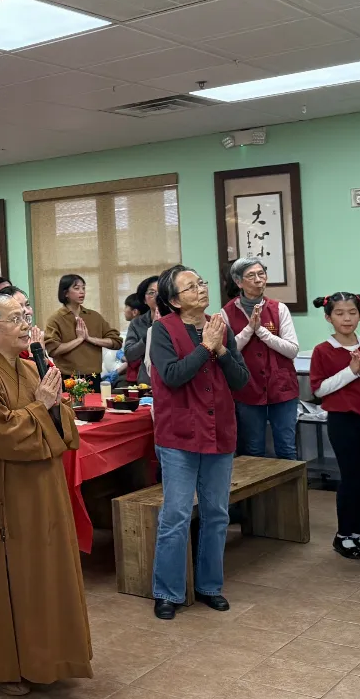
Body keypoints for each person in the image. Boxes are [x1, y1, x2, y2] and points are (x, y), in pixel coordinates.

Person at [0, 294, 90, 695]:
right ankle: (3, 668)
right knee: (11, 579)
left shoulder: (31, 366)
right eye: (14, 318)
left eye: (25, 316)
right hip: (6, 496)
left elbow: (62, 415)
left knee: (46, 576)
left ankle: (49, 659)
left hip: (43, 490)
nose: (24, 324)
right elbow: (0, 435)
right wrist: (42, 407)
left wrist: (52, 406)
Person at [148, 265, 249, 620]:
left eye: (201, 283)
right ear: (174, 300)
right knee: (175, 514)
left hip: (220, 431)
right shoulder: (161, 330)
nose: (201, 290)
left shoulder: (220, 326)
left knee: (217, 513)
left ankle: (209, 586)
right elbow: (173, 376)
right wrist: (206, 347)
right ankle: (167, 591)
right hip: (180, 435)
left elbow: (241, 381)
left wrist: (220, 349)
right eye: (191, 287)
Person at [310, 292, 360, 559]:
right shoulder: (323, 350)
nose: (347, 318)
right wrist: (350, 372)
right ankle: (343, 535)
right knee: (350, 476)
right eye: (339, 313)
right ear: (328, 317)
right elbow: (321, 389)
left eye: (352, 313)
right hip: (342, 420)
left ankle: (357, 534)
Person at [221, 257, 300, 460]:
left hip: (281, 387)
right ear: (239, 282)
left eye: (261, 274)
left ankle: (289, 492)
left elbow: (292, 350)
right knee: (253, 449)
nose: (258, 280)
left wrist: (262, 332)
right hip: (247, 388)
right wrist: (249, 330)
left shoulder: (279, 308)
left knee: (287, 448)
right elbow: (228, 352)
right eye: (251, 276)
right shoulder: (226, 313)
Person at [41, 275, 122, 378]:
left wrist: (90, 339)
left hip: (94, 377)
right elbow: (53, 350)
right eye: (76, 288)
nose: (82, 291)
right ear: (65, 293)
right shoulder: (56, 319)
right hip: (67, 378)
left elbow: (116, 342)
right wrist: (79, 340)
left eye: (83, 288)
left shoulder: (94, 316)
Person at [123, 276, 158, 385]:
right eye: (152, 293)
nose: (157, 296)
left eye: (162, 292)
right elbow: (129, 355)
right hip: (146, 382)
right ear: (144, 299)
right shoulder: (137, 323)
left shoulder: (177, 319)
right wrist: (151, 332)